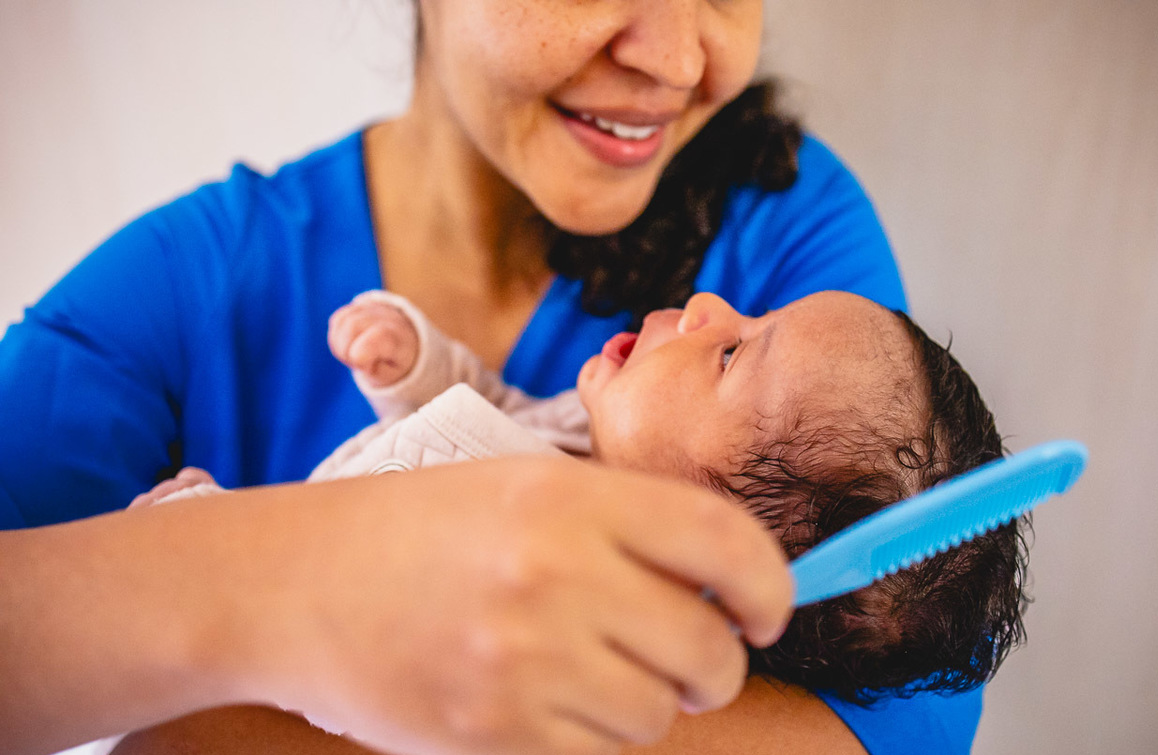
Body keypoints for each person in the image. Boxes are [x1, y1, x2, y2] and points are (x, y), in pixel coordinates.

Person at [0, 2, 982, 755]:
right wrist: (255, 580)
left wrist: (191, 746)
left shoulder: (787, 227)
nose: (682, 59)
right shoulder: (186, 285)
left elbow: (894, 690)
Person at [147, 287, 1026, 706]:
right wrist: (416, 370)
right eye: (751, 315)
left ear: (712, 537)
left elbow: (333, 654)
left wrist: (208, 539)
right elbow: (490, 415)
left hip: (218, 639)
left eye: (730, 352)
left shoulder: (544, 605)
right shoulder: (581, 435)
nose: (709, 302)